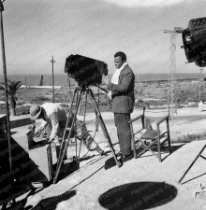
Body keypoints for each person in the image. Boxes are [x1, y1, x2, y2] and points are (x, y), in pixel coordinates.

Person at [29, 103, 104, 155]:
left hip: (68, 117)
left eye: (37, 116)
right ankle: (61, 158)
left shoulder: (50, 111)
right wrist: (34, 133)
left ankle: (97, 149)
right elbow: (43, 124)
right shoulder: (42, 110)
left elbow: (55, 127)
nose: (38, 118)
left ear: (40, 112)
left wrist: (51, 138)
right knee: (58, 139)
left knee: (81, 133)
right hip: (61, 121)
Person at [103, 51, 135, 160]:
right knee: (120, 129)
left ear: (123, 60)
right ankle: (123, 151)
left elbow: (123, 88)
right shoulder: (119, 71)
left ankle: (127, 153)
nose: (115, 64)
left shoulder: (127, 72)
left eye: (117, 61)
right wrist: (108, 86)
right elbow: (116, 87)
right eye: (114, 61)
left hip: (123, 105)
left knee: (124, 129)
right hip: (118, 105)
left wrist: (109, 85)